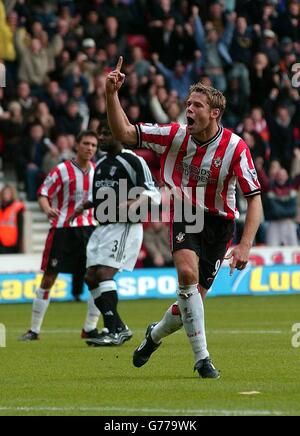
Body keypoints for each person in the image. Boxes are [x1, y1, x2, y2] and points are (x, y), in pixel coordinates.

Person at [105, 57, 262, 379]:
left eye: (197, 105)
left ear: (214, 113)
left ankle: (153, 335)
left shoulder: (235, 148)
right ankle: (203, 359)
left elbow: (254, 198)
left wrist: (246, 245)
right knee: (186, 275)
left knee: (190, 305)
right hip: (187, 212)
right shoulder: (173, 135)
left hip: (220, 224)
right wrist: (111, 94)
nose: (189, 109)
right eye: (188, 104)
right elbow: (121, 131)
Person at [70, 122, 161, 346]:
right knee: (90, 277)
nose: (102, 137)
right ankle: (119, 327)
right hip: (103, 227)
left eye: (106, 133)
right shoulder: (100, 164)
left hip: (125, 226)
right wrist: (85, 206)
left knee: (104, 274)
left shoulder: (133, 160)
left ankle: (113, 331)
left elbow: (153, 192)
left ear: (121, 135)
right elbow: (101, 196)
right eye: (100, 133)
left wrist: (132, 202)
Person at [20, 130, 100, 341]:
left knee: (97, 278)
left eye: (93, 144)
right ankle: (34, 330)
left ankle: (90, 328)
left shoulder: (97, 171)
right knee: (49, 277)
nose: (90, 148)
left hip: (90, 230)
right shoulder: (62, 170)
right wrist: (47, 209)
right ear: (77, 145)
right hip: (63, 229)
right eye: (86, 143)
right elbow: (43, 193)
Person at [0, 184, 25, 254]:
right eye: (4, 193)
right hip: (1, 243)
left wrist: (19, 245)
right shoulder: (1, 207)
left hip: (12, 244)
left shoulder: (17, 207)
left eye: (8, 193)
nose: (6, 195)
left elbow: (20, 228)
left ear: (12, 194)